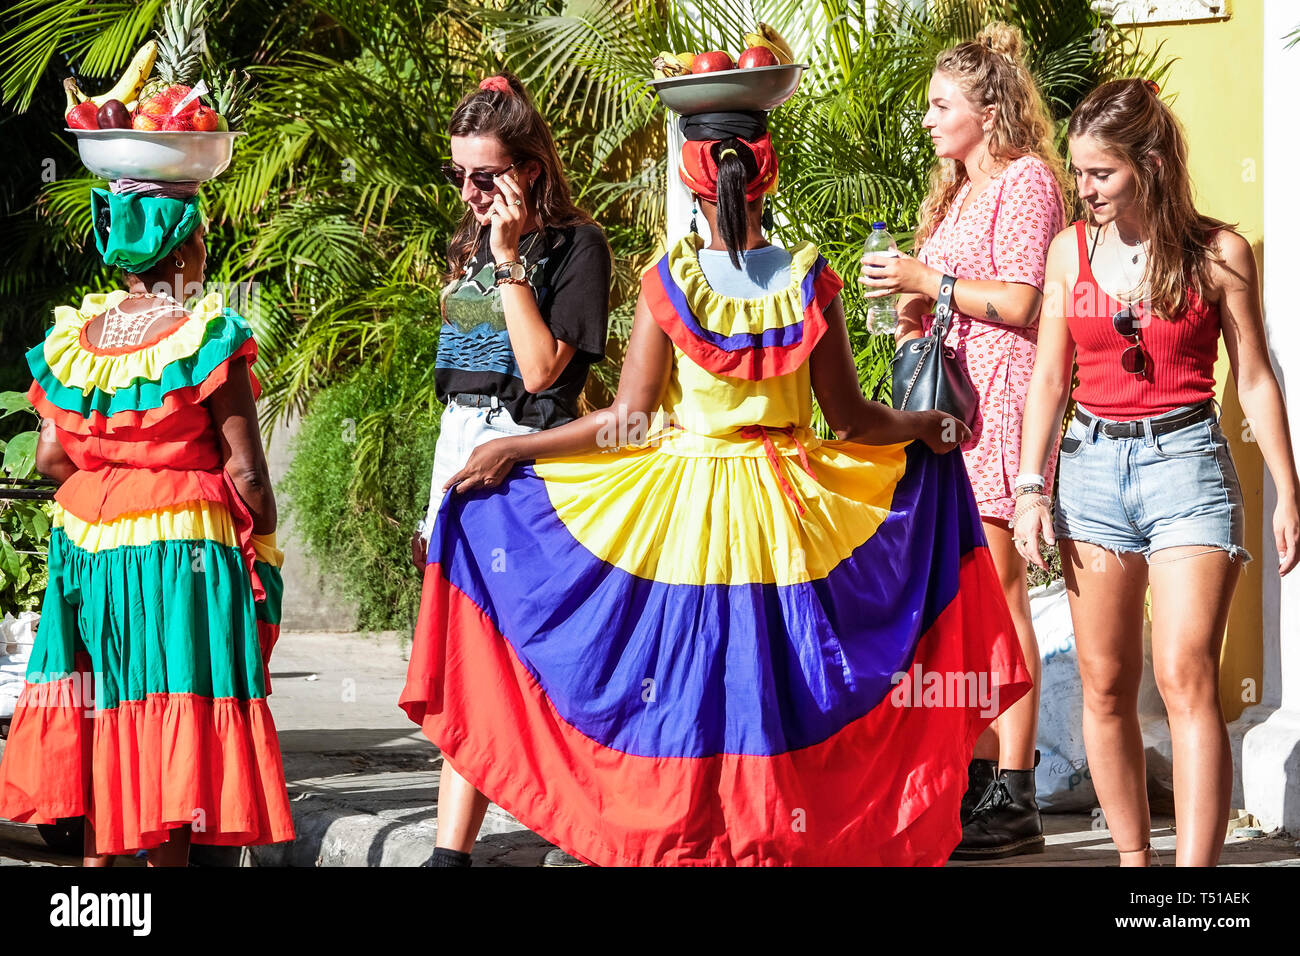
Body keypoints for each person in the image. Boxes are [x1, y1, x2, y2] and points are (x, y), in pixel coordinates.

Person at [400, 108, 1032, 866]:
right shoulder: (812, 282)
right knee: (780, 687)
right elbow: (855, 421)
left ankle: (685, 840)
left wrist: (517, 450)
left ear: (690, 182)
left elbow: (625, 423)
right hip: (791, 518)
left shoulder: (669, 283)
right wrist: (925, 427)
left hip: (687, 516)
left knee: (687, 690)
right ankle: (776, 839)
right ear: (765, 178)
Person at [1014, 78, 1300, 866]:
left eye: (1100, 174)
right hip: (1091, 471)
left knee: (1185, 676)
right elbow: (1048, 379)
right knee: (1106, 685)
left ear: (1149, 163)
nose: (1086, 190)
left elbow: (1253, 378)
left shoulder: (1219, 253)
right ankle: (1136, 869)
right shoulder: (1070, 250)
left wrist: (1287, 489)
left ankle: (1192, 889)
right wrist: (1031, 489)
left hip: (1187, 469)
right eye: (1079, 173)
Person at [0, 181, 291, 866]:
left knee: (112, 704)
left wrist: (115, 494)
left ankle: (101, 875)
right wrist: (265, 541)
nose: (206, 246)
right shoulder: (208, 333)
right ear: (184, 245)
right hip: (181, 552)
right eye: (201, 233)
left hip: (91, 550)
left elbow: (49, 457)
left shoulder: (77, 336)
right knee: (175, 703)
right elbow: (246, 472)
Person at [859, 22, 1067, 858]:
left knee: (999, 592)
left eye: (940, 105)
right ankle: (975, 783)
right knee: (958, 602)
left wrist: (925, 280)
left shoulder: (1026, 183)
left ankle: (1015, 793)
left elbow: (1023, 304)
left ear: (988, 108)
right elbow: (948, 298)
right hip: (943, 412)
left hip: (1005, 402)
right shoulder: (950, 192)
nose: (927, 120)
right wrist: (911, 313)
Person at [411, 72, 610, 867]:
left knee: (532, 659)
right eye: (458, 173)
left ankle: (577, 828)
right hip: (459, 453)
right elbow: (458, 366)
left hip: (524, 467)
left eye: (484, 175)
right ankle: (449, 853)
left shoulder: (576, 245)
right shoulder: (463, 240)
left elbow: (538, 373)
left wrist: (507, 260)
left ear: (526, 169)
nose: (468, 190)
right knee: (468, 661)